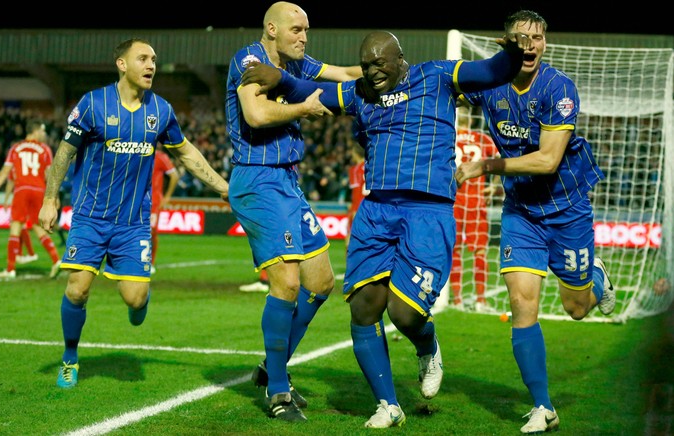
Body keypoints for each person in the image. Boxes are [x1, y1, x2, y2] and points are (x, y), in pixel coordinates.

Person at [242, 29, 531, 428]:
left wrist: (514, 55)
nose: (373, 72)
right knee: (363, 308)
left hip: (427, 212)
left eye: (380, 63)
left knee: (405, 314)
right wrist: (283, 81)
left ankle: (428, 348)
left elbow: (492, 71)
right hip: (376, 209)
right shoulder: (359, 92)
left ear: (400, 59)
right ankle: (388, 405)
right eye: (366, 65)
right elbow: (317, 94)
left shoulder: (438, 77)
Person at [454, 10, 617, 434]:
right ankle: (543, 407)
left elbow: (547, 160)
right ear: (506, 42)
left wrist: (485, 165)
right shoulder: (489, 82)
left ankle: (594, 278)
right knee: (522, 303)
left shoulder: (558, 88)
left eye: (538, 38)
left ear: (545, 44)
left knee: (576, 308)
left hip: (566, 208)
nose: (531, 45)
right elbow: (446, 91)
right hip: (522, 210)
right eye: (521, 38)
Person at [37, 38, 229, 390]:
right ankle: (70, 356)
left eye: (154, 59)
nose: (151, 65)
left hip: (132, 222)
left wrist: (222, 187)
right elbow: (64, 153)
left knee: (135, 300)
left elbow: (185, 153)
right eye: (143, 58)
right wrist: (51, 200)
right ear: (122, 64)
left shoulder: (162, 111)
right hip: (90, 216)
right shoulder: (93, 104)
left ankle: (138, 299)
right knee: (77, 290)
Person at [225, 1, 362, 422]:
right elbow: (256, 112)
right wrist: (304, 108)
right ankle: (279, 392)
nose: (304, 37)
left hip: (286, 181)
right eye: (297, 30)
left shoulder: (298, 66)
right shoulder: (249, 59)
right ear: (272, 29)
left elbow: (344, 74)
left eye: (306, 30)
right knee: (285, 283)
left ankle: (271, 368)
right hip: (257, 178)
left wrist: (389, 72)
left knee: (320, 282)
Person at [0, 119, 61, 279]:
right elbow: (49, 175)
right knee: (38, 227)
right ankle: (56, 260)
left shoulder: (15, 148)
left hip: (22, 189)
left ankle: (10, 269)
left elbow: (5, 172)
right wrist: (54, 195)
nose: (44, 135)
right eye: (42, 131)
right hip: (39, 190)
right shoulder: (45, 149)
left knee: (15, 227)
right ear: (34, 131)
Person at [450, 105, 497, 312]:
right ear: (471, 119)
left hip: (453, 202)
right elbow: (497, 160)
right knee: (479, 252)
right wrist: (493, 185)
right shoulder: (481, 139)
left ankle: (458, 299)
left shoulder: (448, 136)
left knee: (455, 251)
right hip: (476, 202)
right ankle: (480, 300)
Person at [150, 144, 180, 274]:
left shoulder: (160, 157)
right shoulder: (137, 153)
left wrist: (167, 197)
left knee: (151, 232)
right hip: (136, 199)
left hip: (154, 201)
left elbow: (174, 176)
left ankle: (150, 262)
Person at [4, 174, 39, 265]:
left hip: (23, 193)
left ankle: (29, 254)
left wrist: (6, 199)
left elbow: (9, 179)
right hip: (34, 192)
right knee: (20, 226)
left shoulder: (16, 161)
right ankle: (21, 254)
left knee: (17, 225)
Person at [345, 141, 369, 251]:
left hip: (358, 207)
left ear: (355, 154)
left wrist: (354, 210)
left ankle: (350, 266)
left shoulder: (355, 170)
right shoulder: (371, 167)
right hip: (370, 207)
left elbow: (356, 193)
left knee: (350, 237)